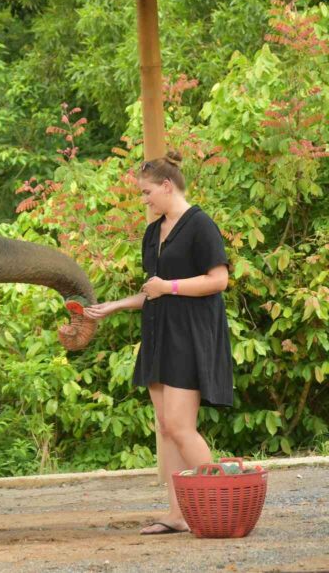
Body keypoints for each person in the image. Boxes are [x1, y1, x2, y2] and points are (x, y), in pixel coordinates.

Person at [84, 152, 232, 536]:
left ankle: (221, 506)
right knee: (165, 428)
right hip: (158, 335)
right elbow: (153, 291)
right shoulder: (153, 233)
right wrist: (115, 306)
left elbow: (218, 280)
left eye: (147, 192)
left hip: (190, 336)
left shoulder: (200, 225)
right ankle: (178, 514)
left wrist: (170, 287)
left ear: (167, 186)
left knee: (182, 427)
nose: (144, 199)